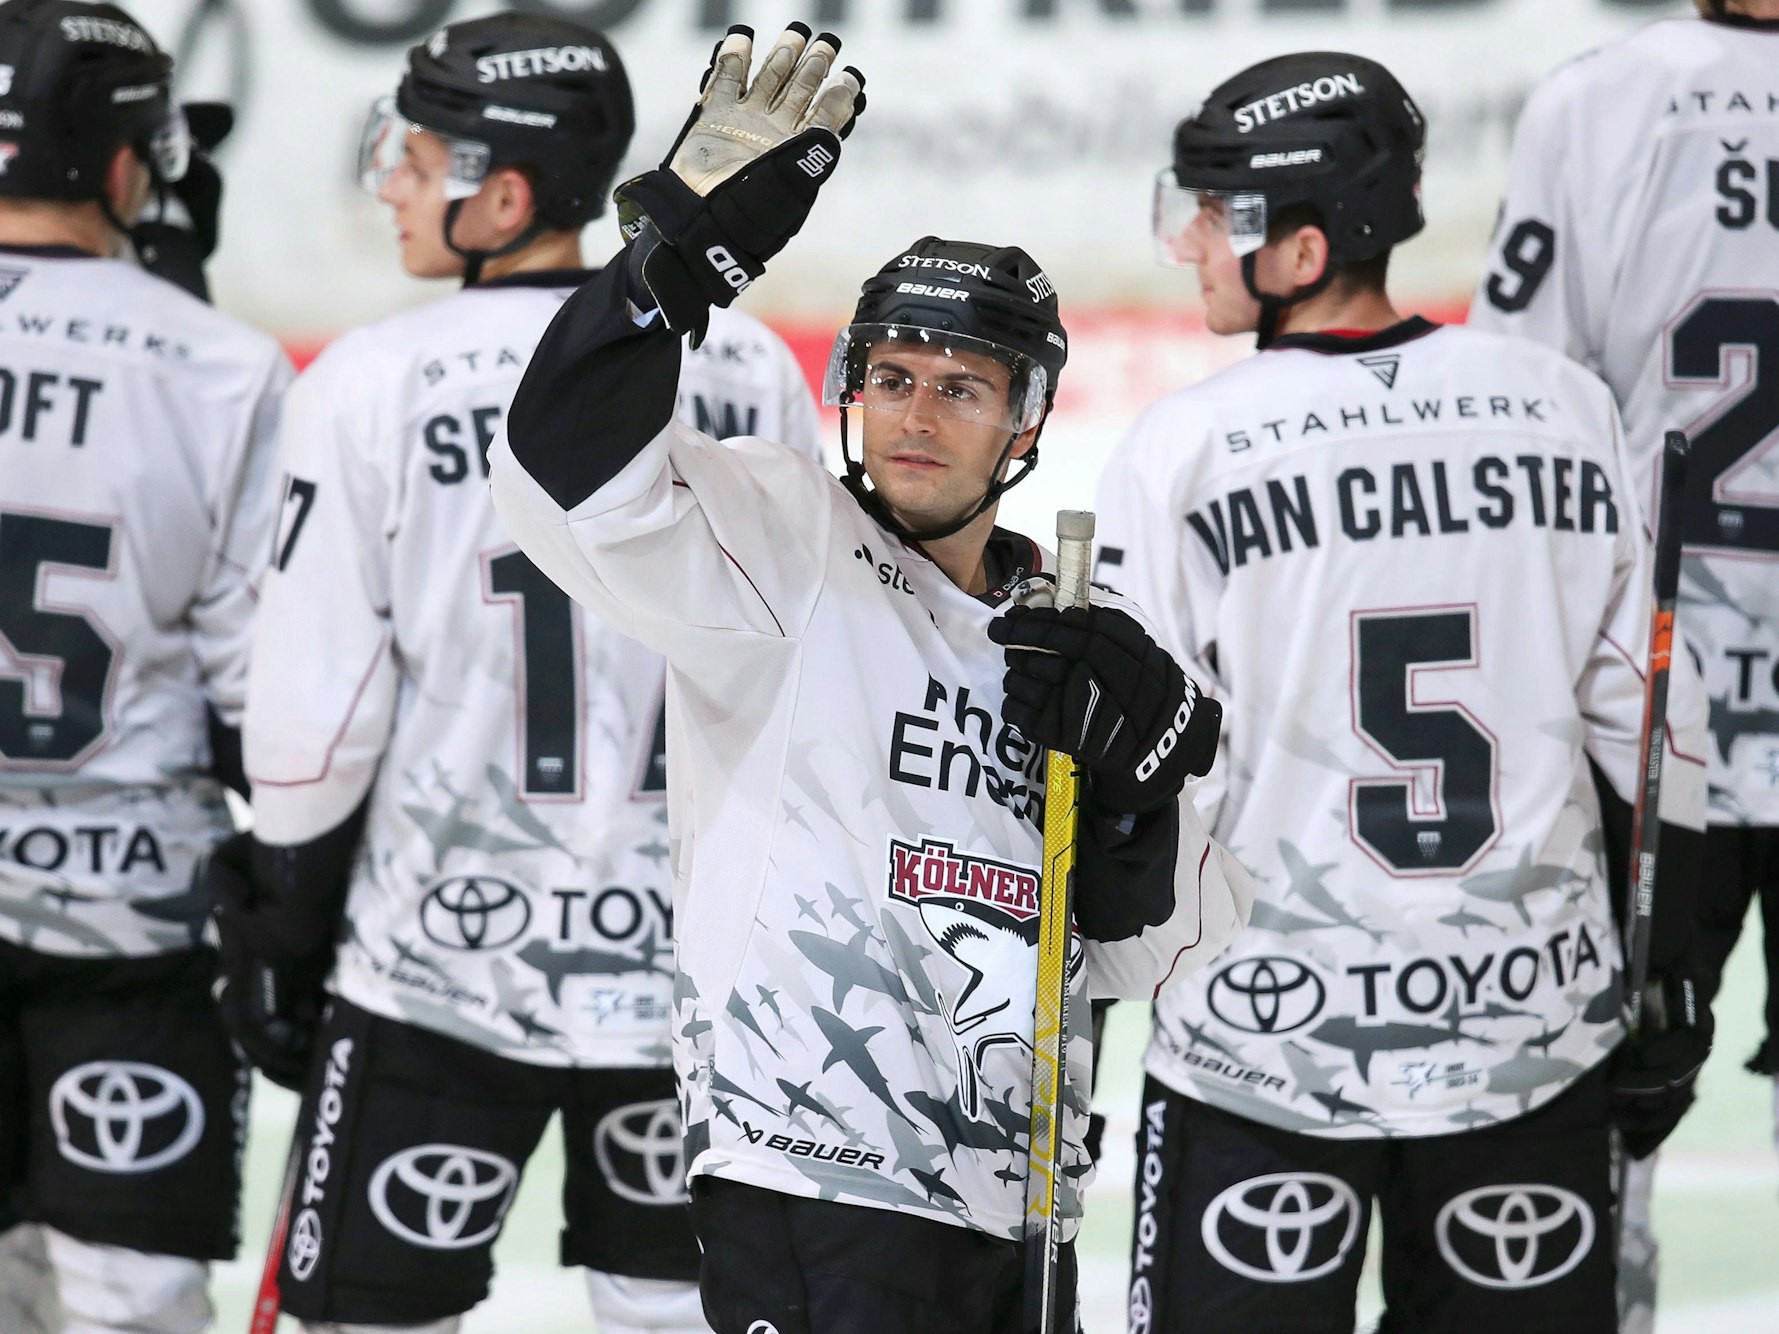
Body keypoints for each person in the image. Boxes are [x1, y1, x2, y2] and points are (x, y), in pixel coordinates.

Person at [490, 24, 1252, 1334]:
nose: (913, 413)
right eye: (890, 375)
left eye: (960, 387)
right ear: (844, 389)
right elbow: (565, 465)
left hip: (1016, 1199)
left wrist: (1148, 776)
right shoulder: (782, 538)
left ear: (1025, 423)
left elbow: (1165, 949)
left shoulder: (1070, 629)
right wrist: (673, 249)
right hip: (809, 1177)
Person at [207, 13, 820, 1334]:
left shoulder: (368, 381)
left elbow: (315, 725)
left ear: (500, 191)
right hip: (690, 974)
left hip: (435, 963)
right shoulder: (754, 366)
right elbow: (793, 664)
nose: (388, 181)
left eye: (413, 156)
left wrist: (282, 918)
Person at [1095, 53, 1713, 1334]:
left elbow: (1129, 771)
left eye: (1216, 215)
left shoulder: (1187, 447)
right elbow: (1653, 730)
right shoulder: (1563, 405)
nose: (1189, 246)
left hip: (1259, 1049)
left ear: (1303, 244)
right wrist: (1676, 972)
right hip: (1531, 1032)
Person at [1467, 5, 1779, 1327]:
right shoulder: (1593, 96)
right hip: (1653, 717)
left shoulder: (1600, 98)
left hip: (1662, 711)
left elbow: (1524, 407)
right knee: (1615, 1107)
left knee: (1617, 1115)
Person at [0, 1, 291, 1330]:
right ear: (125, 163)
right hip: (129, 916)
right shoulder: (218, 366)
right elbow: (259, 688)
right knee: (131, 1300)